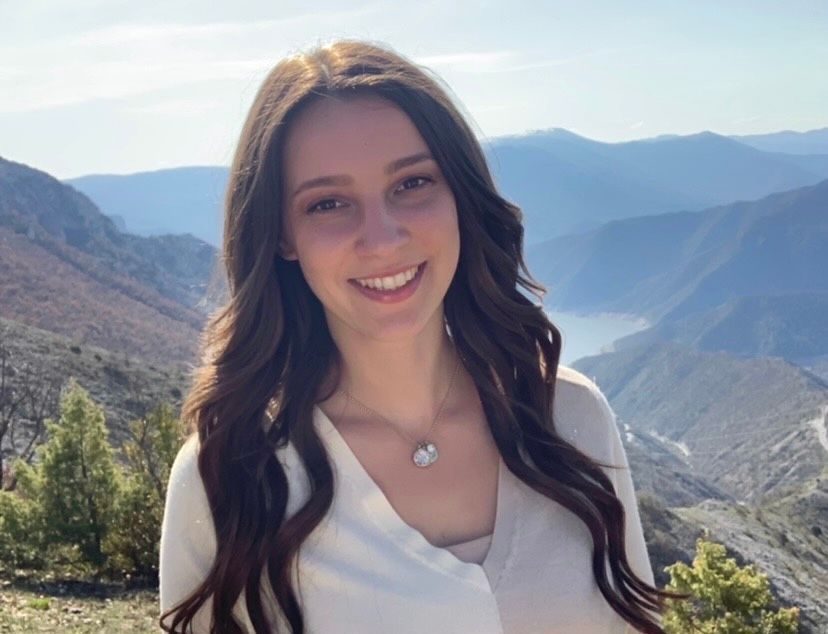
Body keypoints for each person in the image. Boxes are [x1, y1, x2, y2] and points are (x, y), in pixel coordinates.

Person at [159, 39, 674, 633]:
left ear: (459, 194)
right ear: (283, 237)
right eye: (328, 203)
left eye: (412, 184)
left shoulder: (572, 418)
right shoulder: (234, 477)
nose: (381, 238)